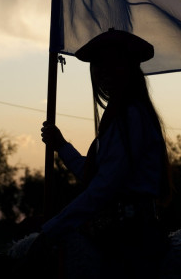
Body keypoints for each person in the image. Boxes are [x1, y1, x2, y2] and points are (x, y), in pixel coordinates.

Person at [32, 29, 173, 278]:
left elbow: (104, 186)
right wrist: (62, 146)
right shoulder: (120, 116)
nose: (102, 71)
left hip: (128, 235)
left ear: (127, 67)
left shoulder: (130, 116)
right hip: (115, 229)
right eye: (97, 64)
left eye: (111, 63)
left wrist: (52, 229)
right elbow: (98, 175)